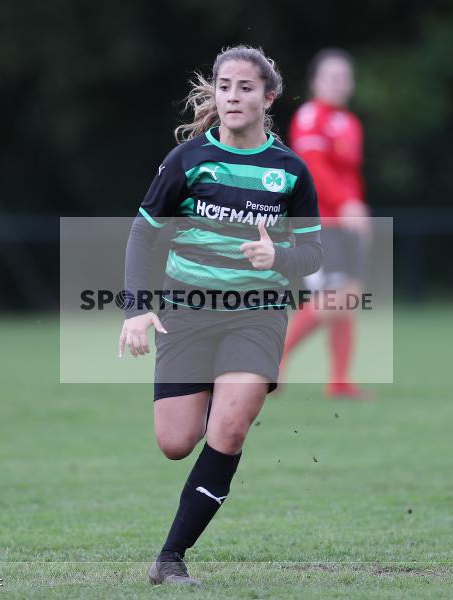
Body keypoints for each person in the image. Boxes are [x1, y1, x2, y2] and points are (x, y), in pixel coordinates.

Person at [118, 46, 322, 586]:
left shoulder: (289, 171)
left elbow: (314, 253)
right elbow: (145, 234)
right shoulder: (186, 160)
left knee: (229, 428)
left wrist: (277, 257)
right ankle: (222, 385)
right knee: (175, 442)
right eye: (225, 86)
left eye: (246, 88)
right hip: (186, 312)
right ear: (214, 93)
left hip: (257, 313)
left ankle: (170, 558)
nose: (233, 96)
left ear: (268, 97)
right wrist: (135, 310)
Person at [281, 49, 370, 399]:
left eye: (344, 76)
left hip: (346, 222)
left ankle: (340, 381)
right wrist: (347, 203)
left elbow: (349, 176)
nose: (338, 83)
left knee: (346, 300)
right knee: (335, 297)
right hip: (319, 221)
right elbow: (313, 167)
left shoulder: (349, 122)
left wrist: (358, 209)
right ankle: (273, 360)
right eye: (331, 76)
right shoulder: (309, 117)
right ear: (315, 81)